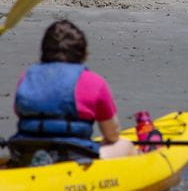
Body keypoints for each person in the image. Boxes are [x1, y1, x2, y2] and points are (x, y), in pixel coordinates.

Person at [9, 20, 136, 166]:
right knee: (125, 145)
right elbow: (112, 134)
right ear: (83, 53)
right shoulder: (93, 82)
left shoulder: (26, 77)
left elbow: (20, 113)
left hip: (26, 154)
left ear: (44, 51)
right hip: (73, 157)